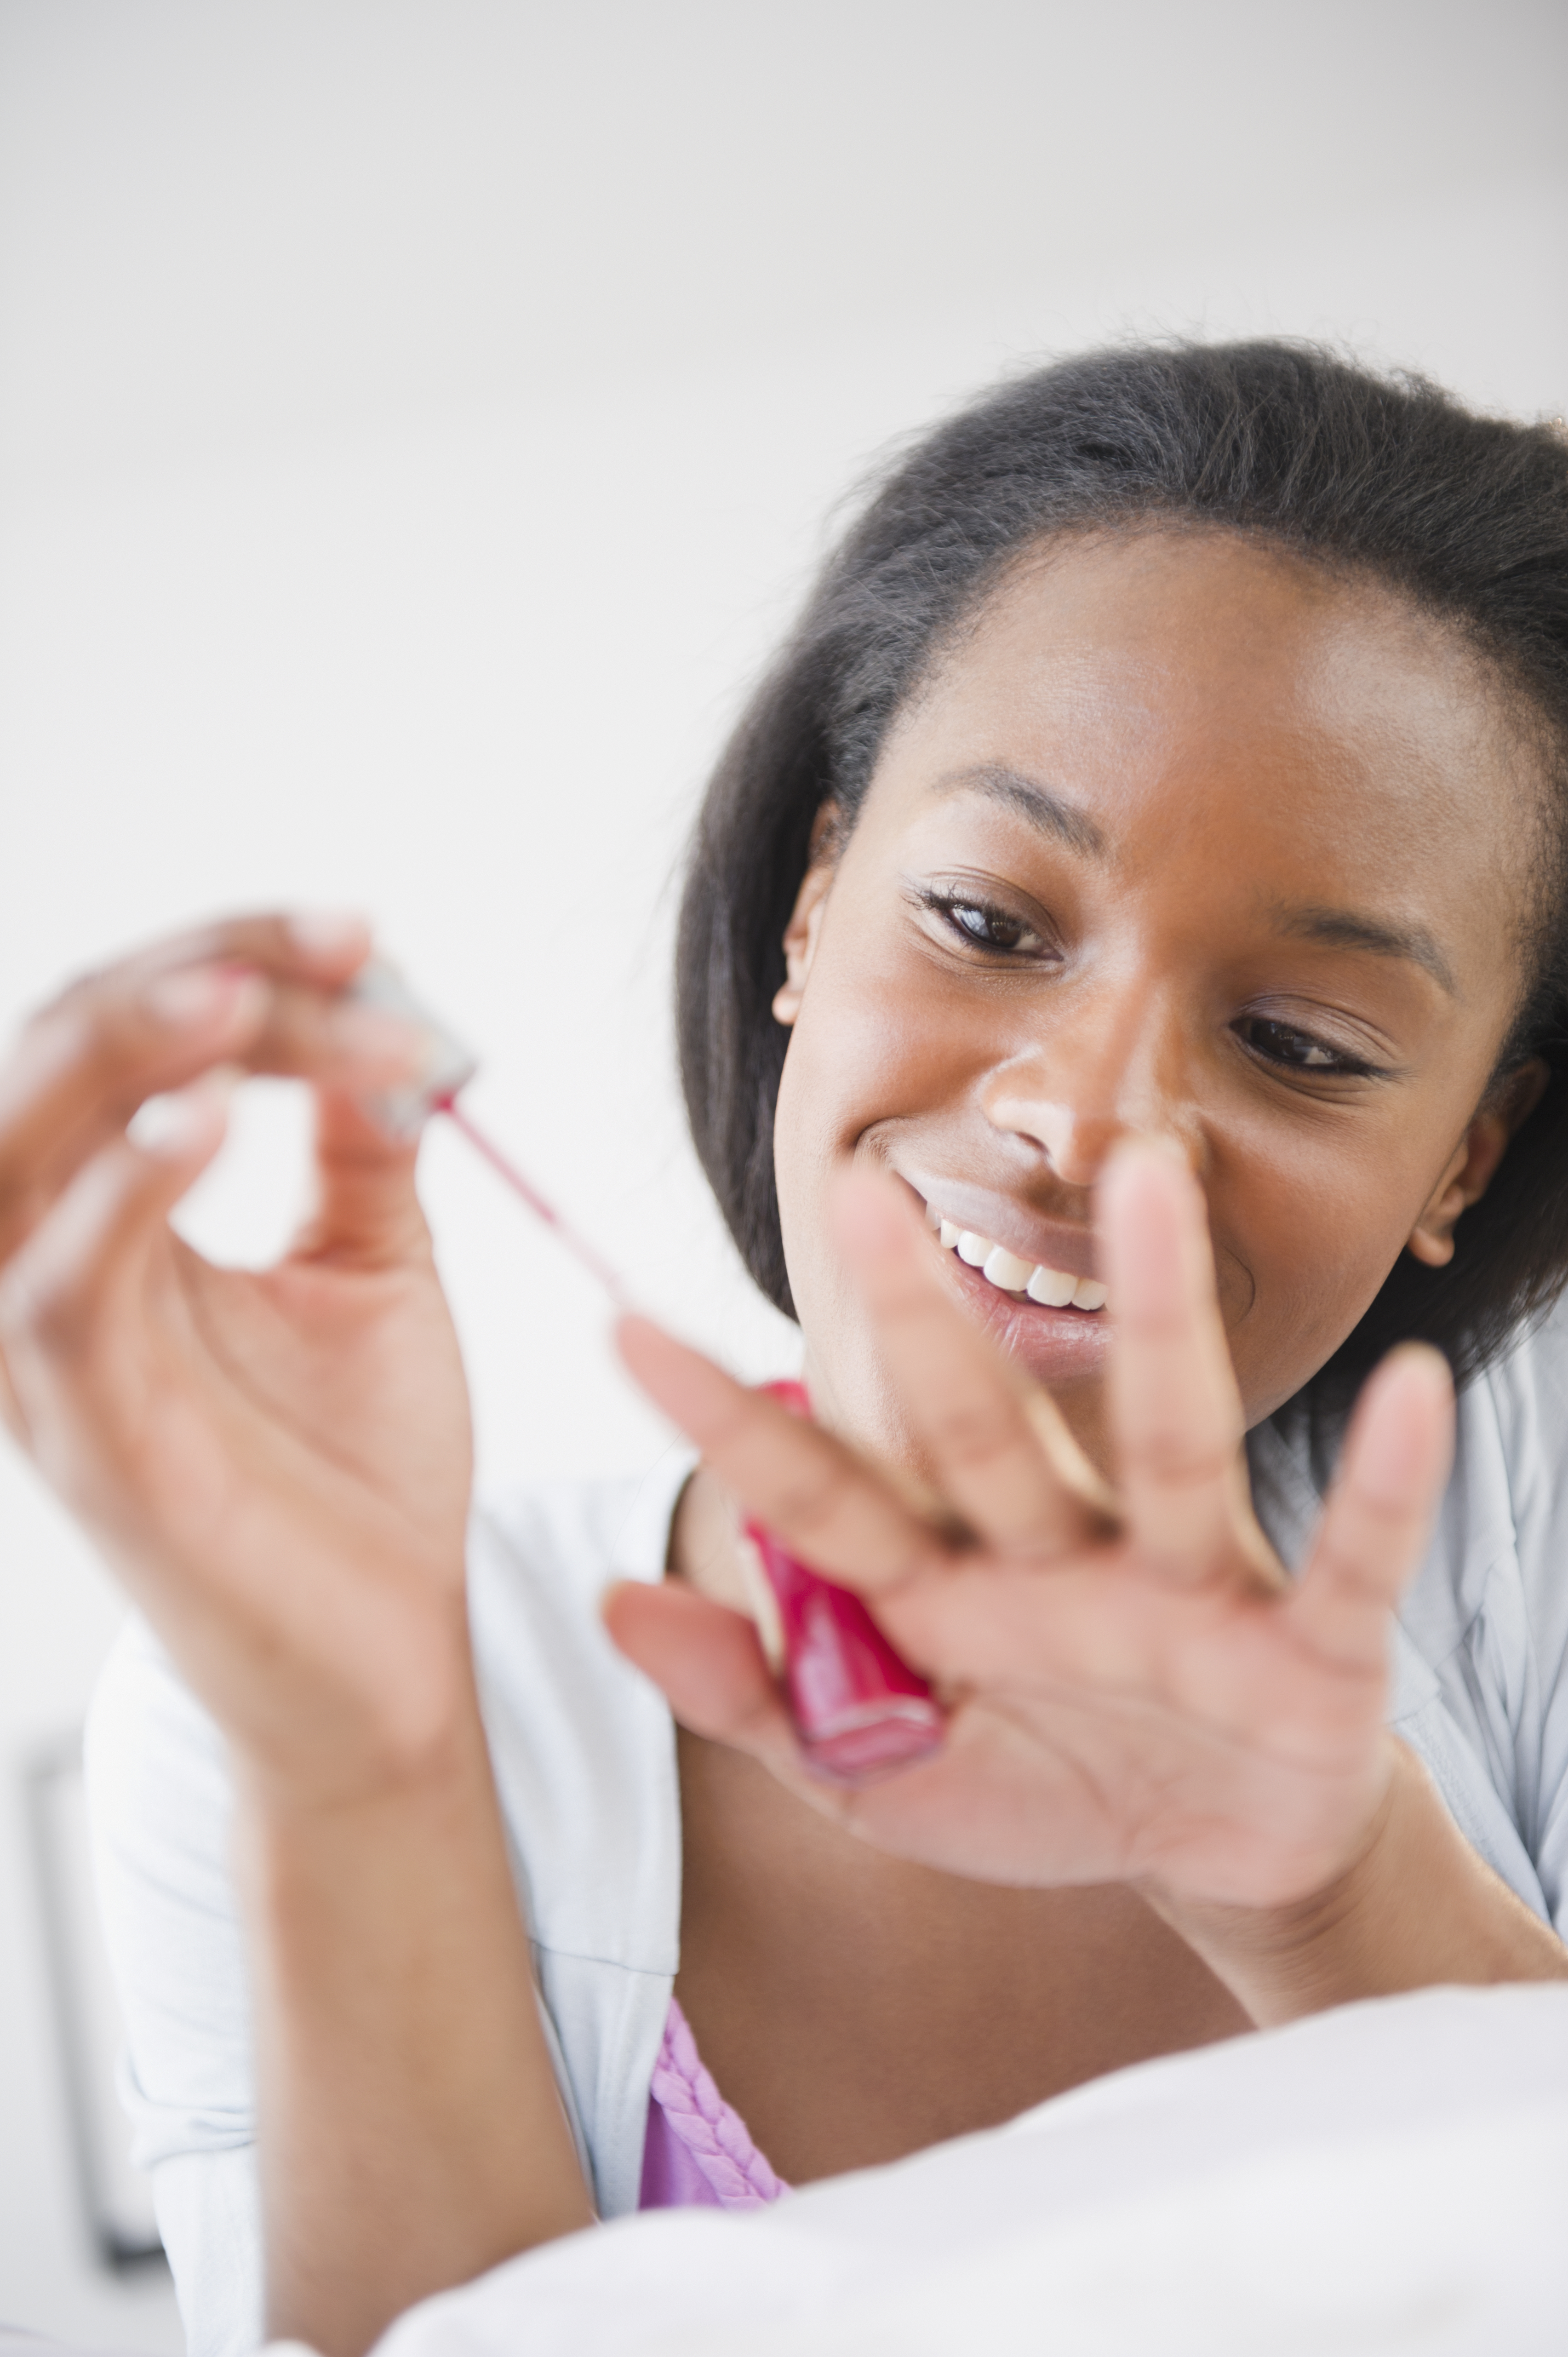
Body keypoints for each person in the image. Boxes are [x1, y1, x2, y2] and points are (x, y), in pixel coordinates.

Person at [1, 341, 1566, 2357]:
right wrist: (367, 1760)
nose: (1081, 1117)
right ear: (815, 905)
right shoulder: (296, 1707)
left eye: (1298, 1043)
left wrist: (1337, 1889)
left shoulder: (1526, 1532)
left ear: (1466, 1149)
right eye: (991, 921)